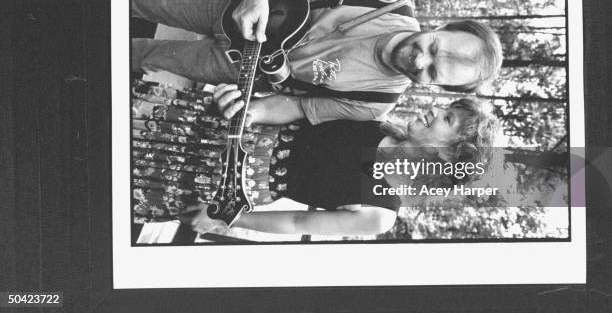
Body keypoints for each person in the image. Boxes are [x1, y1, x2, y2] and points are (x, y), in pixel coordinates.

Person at [131, 0, 503, 126]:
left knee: (146, 56)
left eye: (433, 72)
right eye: (435, 47)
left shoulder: (375, 104)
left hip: (243, 68)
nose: (420, 62)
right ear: (442, 26)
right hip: (247, 9)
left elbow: (298, 107)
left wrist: (254, 112)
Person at [131, 80, 500, 238]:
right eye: (447, 108)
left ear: (448, 154)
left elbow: (294, 221)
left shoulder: (379, 214)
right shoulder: (373, 120)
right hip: (220, 126)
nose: (435, 111)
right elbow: (297, 109)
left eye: (447, 119)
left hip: (221, 184)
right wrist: (250, 109)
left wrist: (220, 218)